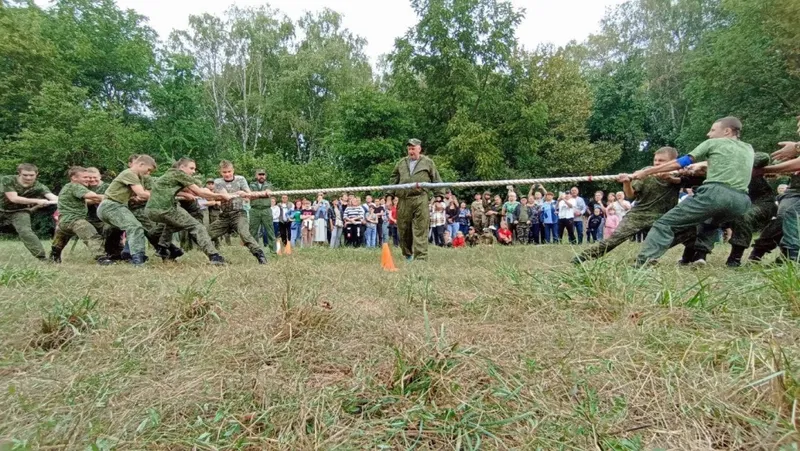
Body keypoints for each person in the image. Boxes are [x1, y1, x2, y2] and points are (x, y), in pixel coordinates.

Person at [631, 117, 754, 266]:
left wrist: (648, 172)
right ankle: (697, 256)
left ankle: (644, 261)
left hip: (715, 194)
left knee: (664, 224)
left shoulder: (713, 143)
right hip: (742, 201)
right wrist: (702, 165)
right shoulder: (748, 148)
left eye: (713, 130)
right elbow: (729, 162)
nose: (709, 134)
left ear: (727, 131)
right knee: (710, 223)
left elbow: (681, 162)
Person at [573, 147, 682, 264]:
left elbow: (696, 181)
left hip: (664, 217)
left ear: (673, 162)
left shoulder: (682, 173)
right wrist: (626, 182)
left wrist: (673, 179)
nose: (657, 163)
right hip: (639, 214)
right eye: (655, 160)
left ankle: (688, 258)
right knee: (613, 240)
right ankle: (580, 259)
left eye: (662, 161)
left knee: (691, 232)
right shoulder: (645, 172)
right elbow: (630, 195)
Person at [145, 158, 234, 265]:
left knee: (170, 225)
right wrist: (221, 196)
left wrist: (184, 194)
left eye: (194, 169)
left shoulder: (168, 174)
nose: (193, 171)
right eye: (191, 168)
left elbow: (170, 190)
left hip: (151, 210)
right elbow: (200, 192)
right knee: (197, 227)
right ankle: (214, 256)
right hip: (166, 208)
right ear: (182, 167)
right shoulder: (180, 174)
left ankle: (163, 247)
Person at [389, 138, 445, 261]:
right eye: (409, 149)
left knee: (421, 228)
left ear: (419, 148)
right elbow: (393, 179)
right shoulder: (401, 163)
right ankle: (408, 254)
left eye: (413, 148)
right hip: (403, 199)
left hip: (421, 198)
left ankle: (421, 257)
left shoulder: (428, 162)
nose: (411, 151)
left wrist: (439, 197)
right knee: (403, 228)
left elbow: (436, 179)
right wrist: (389, 196)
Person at [96, 155, 157, 266]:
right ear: (141, 164)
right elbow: (142, 194)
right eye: (148, 170)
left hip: (118, 206)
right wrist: (161, 196)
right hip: (111, 206)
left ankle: (129, 254)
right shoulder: (129, 173)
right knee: (134, 226)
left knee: (139, 226)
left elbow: (138, 196)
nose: (148, 173)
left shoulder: (137, 177)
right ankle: (138, 260)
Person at [756, 114, 800, 262]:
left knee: (789, 213)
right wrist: (777, 171)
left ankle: (792, 257)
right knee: (782, 220)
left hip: (795, 194)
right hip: (794, 191)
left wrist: (764, 170)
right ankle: (781, 255)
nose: (798, 130)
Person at [720, 153, 775, 267]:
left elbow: (763, 157)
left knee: (744, 216)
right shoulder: (721, 165)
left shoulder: (747, 158)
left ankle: (735, 258)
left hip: (761, 202)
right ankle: (697, 255)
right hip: (737, 202)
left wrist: (739, 161)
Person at [49, 166, 111, 265]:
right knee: (91, 235)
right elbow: (93, 196)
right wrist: (113, 197)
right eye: (85, 177)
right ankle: (102, 258)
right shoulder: (76, 186)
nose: (88, 179)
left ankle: (54, 256)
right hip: (75, 220)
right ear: (74, 178)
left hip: (63, 220)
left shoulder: (67, 186)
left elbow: (91, 200)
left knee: (61, 238)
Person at [209, 161, 267, 264]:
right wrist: (238, 193)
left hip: (239, 213)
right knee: (204, 235)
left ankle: (260, 256)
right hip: (224, 216)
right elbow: (225, 195)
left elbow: (249, 194)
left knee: (244, 234)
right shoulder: (218, 181)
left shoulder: (241, 179)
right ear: (220, 172)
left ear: (233, 170)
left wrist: (263, 193)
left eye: (229, 171)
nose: (227, 174)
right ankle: (216, 258)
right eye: (224, 172)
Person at [1, 163, 58, 260]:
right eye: (25, 175)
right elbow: (13, 198)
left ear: (36, 174)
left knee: (25, 231)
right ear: (19, 173)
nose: (28, 178)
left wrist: (63, 201)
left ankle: (42, 257)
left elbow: (53, 197)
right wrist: (37, 201)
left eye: (31, 175)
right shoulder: (8, 180)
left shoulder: (39, 186)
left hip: (19, 211)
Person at [249, 169, 276, 253]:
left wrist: (258, 194)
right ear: (256, 176)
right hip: (254, 210)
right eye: (259, 174)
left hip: (266, 210)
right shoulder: (251, 185)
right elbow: (250, 195)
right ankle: (255, 251)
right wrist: (262, 194)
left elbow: (269, 193)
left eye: (263, 174)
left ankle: (273, 251)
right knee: (253, 231)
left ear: (265, 176)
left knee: (270, 231)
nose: (261, 176)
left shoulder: (269, 185)